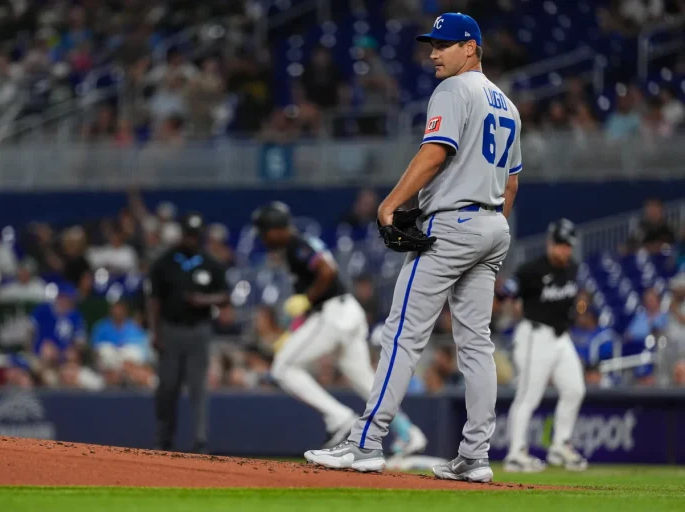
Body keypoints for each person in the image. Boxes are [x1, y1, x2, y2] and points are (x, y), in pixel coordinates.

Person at [304, 13, 519, 483]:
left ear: (471, 48)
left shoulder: (454, 91)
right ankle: (476, 456)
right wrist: (486, 228)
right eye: (432, 44)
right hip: (490, 227)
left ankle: (365, 442)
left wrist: (390, 204)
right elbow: (512, 182)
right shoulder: (507, 105)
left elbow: (434, 151)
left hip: (455, 225)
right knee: (476, 345)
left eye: (444, 45)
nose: (433, 53)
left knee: (401, 332)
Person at [251, 202, 427, 458]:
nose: (262, 237)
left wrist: (308, 299)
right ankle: (408, 433)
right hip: (346, 313)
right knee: (366, 383)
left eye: (264, 230)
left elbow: (327, 270)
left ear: (276, 229)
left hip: (333, 313)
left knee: (282, 368)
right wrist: (293, 332)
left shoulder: (294, 244)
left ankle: (339, 417)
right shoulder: (299, 243)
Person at [503, 219, 588, 472]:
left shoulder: (572, 268)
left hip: (561, 339)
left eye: (568, 245)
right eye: (561, 244)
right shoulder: (532, 270)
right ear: (550, 243)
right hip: (534, 336)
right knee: (528, 396)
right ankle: (516, 453)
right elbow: (507, 293)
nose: (565, 250)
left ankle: (560, 446)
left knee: (575, 389)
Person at [148, 212, 229, 453]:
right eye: (189, 235)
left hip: (199, 331)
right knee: (167, 388)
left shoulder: (210, 263)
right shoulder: (164, 263)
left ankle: (200, 440)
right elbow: (154, 301)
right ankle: (164, 439)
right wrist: (156, 333)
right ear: (182, 235)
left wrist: (202, 300)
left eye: (196, 236)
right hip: (171, 330)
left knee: (198, 388)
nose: (192, 240)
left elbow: (225, 297)